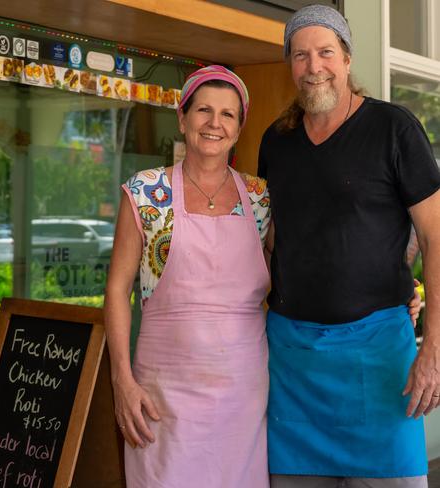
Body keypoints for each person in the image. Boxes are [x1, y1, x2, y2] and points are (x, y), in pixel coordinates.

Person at [258, 4, 440, 487]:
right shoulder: (275, 143)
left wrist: (435, 350)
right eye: (300, 55)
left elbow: (434, 238)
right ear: (290, 64)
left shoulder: (394, 128)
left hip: (380, 360)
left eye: (325, 52)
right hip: (294, 366)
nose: (313, 67)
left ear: (346, 58)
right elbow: (270, 239)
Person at [104, 65, 272, 487]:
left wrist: (402, 291)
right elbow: (117, 288)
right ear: (182, 118)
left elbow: (297, 275)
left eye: (228, 114)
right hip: (162, 396)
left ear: (238, 128)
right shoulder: (145, 193)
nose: (214, 123)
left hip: (243, 398)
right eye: (203, 110)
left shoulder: (261, 197)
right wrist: (122, 380)